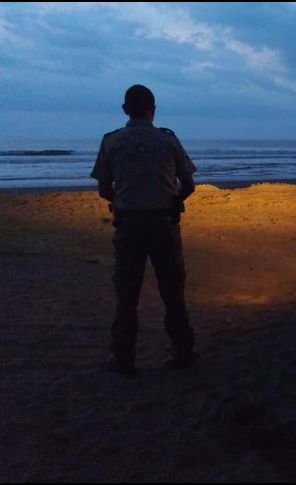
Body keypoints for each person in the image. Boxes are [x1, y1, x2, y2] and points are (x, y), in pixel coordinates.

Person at [91, 84, 198, 376]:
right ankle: (183, 350)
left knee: (127, 295)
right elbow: (189, 184)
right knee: (173, 292)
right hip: (164, 224)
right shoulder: (167, 140)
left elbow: (103, 188)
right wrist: (173, 199)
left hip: (129, 226)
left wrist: (122, 199)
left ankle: (123, 358)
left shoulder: (112, 141)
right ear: (154, 110)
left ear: (125, 110)